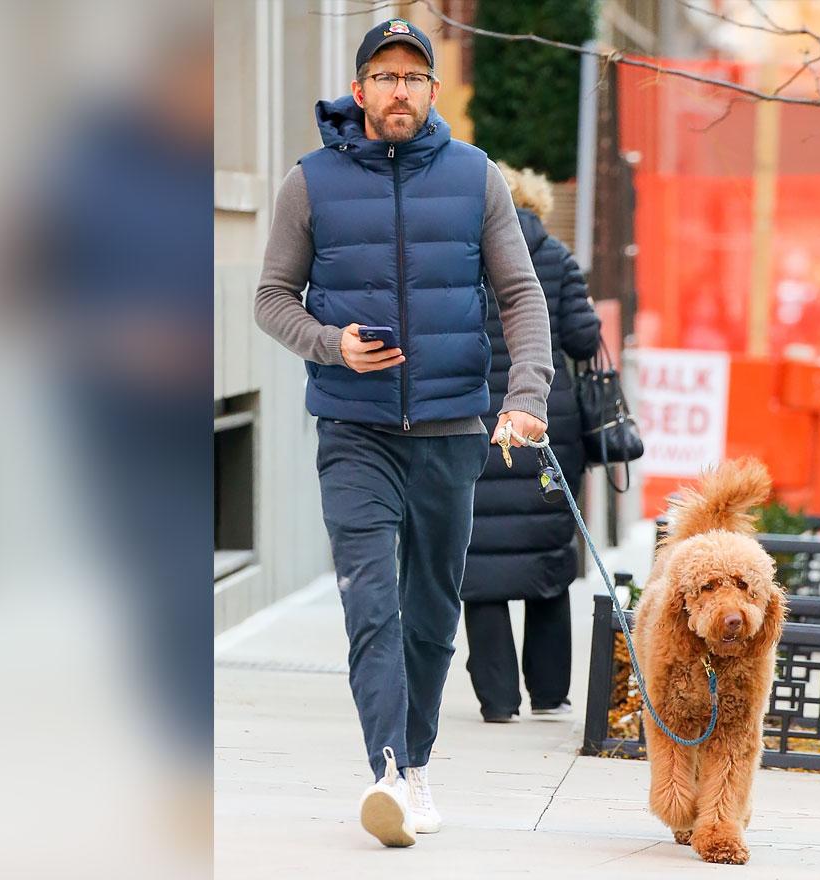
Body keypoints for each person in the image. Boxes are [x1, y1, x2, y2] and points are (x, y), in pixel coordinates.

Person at [252, 19, 553, 848]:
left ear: (431, 90)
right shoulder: (308, 183)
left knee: (429, 612)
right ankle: (386, 771)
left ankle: (415, 766)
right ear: (360, 90)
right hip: (355, 430)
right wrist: (330, 345)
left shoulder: (475, 178)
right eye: (384, 76)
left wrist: (524, 396)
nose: (399, 90)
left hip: (454, 430)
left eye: (413, 77)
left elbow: (523, 298)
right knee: (371, 605)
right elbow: (271, 297)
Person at [460, 163, 601, 723]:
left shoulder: (466, 255)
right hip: (545, 423)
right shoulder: (557, 257)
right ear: (537, 206)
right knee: (546, 558)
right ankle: (549, 692)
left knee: (481, 558)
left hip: (478, 418)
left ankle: (497, 701)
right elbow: (584, 338)